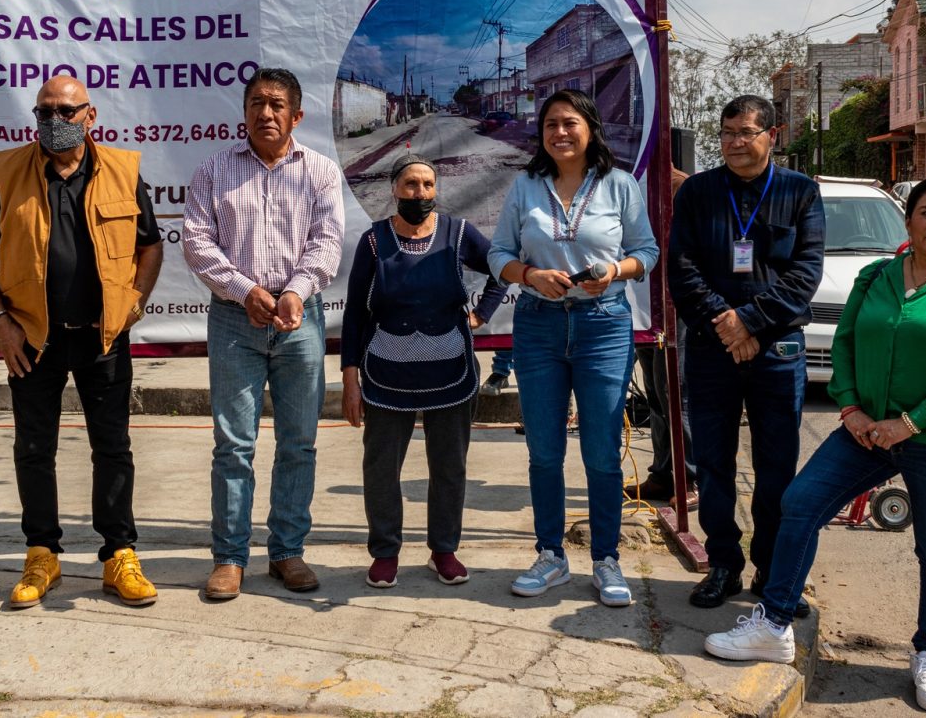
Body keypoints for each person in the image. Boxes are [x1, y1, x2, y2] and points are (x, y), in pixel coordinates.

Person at [704, 177, 926, 712]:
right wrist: (851, 409)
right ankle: (774, 625)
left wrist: (906, 424)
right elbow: (844, 347)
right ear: (907, 220)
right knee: (800, 504)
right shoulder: (875, 278)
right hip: (864, 432)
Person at [0, 75, 165, 609]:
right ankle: (42, 554)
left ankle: (118, 555)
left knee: (113, 448)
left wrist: (134, 303)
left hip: (103, 337)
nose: (55, 123)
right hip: (32, 339)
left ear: (90, 116)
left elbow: (150, 247)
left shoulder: (123, 172)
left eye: (66, 112)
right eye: (45, 113)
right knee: (34, 449)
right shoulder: (5, 173)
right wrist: (0, 322)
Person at [487, 88, 658, 607]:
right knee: (544, 449)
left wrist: (615, 270)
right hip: (538, 327)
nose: (560, 133)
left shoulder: (620, 185)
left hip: (603, 326)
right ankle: (551, 556)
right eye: (550, 125)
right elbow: (498, 254)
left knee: (602, 451)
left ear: (590, 128)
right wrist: (531, 274)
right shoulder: (525, 186)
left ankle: (606, 559)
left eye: (570, 123)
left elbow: (645, 251)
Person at [183, 67, 345, 600]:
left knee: (299, 442)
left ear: (297, 116)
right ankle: (230, 557)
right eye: (257, 102)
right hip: (235, 318)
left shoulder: (320, 172)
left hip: (301, 320)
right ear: (244, 111)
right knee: (234, 446)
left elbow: (327, 242)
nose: (266, 112)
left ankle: (287, 552)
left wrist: (295, 291)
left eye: (277, 104)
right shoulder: (213, 170)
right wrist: (244, 288)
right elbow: (198, 242)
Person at [668, 95, 823, 613]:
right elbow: (682, 268)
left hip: (777, 348)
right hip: (713, 348)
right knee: (713, 463)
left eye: (746, 132)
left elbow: (805, 274)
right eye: (727, 132)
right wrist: (728, 324)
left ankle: (772, 571)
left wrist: (751, 321)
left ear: (772, 135)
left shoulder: (801, 192)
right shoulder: (698, 193)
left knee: (777, 464)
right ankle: (724, 566)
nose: (735, 142)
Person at [340, 153, 508, 587]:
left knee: (449, 466)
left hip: (449, 372)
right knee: (380, 468)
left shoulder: (458, 234)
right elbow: (356, 312)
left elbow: (503, 270)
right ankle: (384, 552)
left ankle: (444, 550)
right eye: (411, 185)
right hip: (386, 375)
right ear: (394, 190)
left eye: (428, 185)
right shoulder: (375, 241)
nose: (420, 193)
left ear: (437, 190)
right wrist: (349, 377)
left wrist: (482, 314)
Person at [626, 165, 696, 504]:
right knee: (654, 390)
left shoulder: (679, 186)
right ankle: (663, 473)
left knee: (676, 389)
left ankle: (691, 478)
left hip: (674, 301)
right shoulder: (627, 184)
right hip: (641, 300)